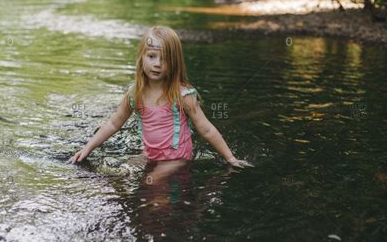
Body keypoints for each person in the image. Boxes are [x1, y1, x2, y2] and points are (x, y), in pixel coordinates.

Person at [69, 25, 253, 175]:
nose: (157, 64)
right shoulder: (135, 94)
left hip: (177, 158)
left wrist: (231, 159)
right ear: (141, 58)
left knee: (152, 182)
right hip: (150, 155)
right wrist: (87, 149)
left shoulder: (182, 96)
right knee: (118, 172)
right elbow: (113, 123)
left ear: (175, 64)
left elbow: (206, 129)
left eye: (164, 59)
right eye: (151, 56)